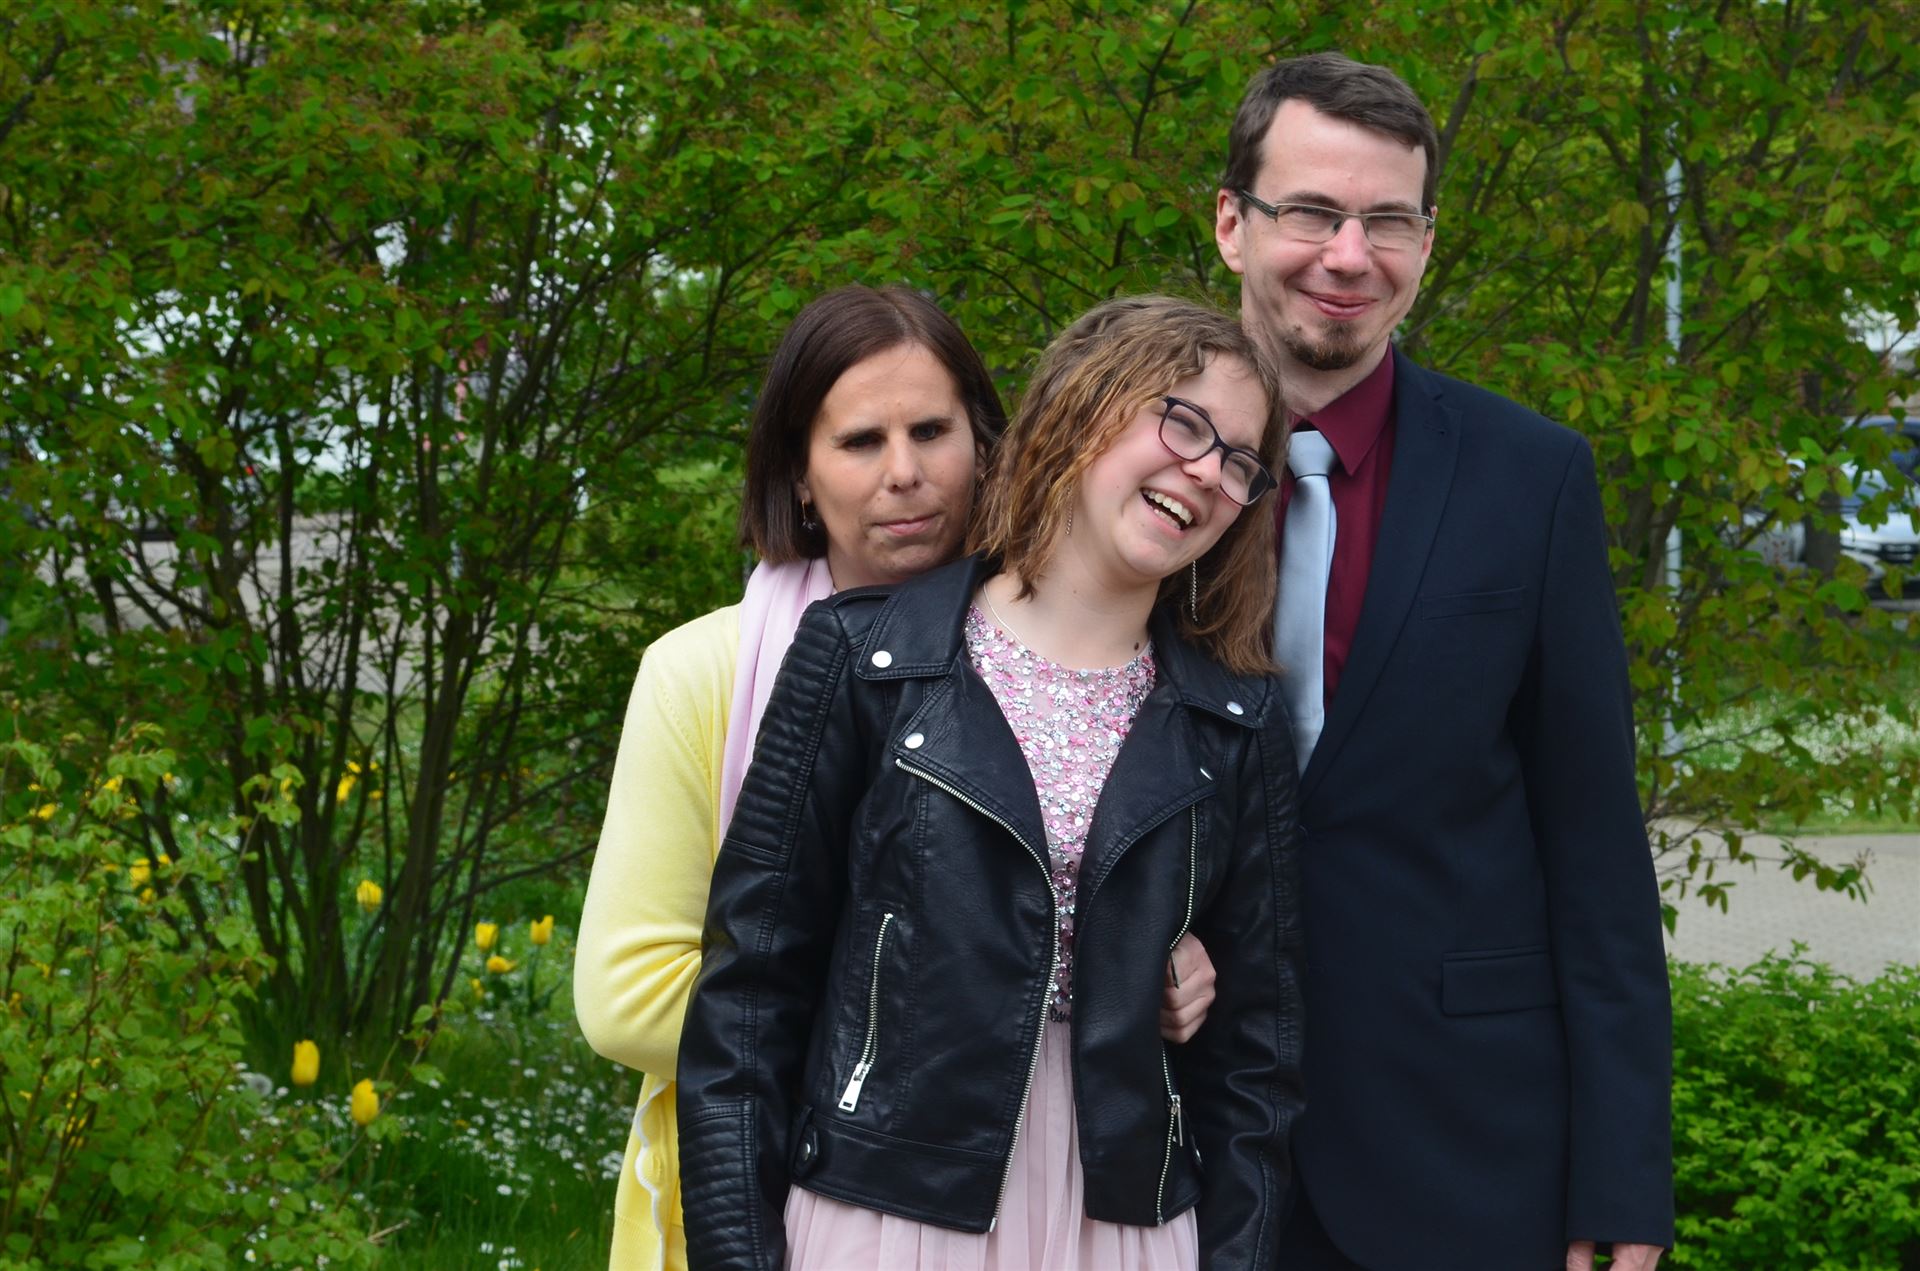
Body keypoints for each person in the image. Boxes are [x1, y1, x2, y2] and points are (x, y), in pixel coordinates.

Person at [572, 285, 1217, 1271]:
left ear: (988, 446)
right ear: (800, 475)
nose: (904, 473)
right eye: (860, 441)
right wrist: (933, 1003)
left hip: (1055, 1187)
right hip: (776, 1183)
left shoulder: (1087, 655)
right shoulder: (702, 672)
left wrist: (1146, 959)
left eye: (931, 431)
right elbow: (625, 994)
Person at [1210, 52, 1674, 1270]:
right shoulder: (1135, 469)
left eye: (1388, 220)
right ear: (1232, 224)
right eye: (1311, 211)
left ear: (1426, 241)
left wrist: (1623, 1176)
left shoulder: (1533, 477)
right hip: (1179, 1139)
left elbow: (1594, 841)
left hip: (1465, 1151)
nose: (1348, 255)